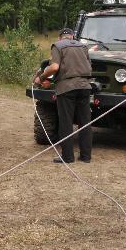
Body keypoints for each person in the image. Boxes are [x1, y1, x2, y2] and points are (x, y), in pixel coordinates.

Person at [33, 27, 92, 163]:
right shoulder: (83, 46)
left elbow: (54, 67)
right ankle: (86, 156)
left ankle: (67, 157)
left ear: (60, 38)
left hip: (66, 88)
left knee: (66, 123)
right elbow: (89, 67)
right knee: (85, 122)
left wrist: (41, 78)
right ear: (72, 37)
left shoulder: (58, 46)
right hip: (85, 87)